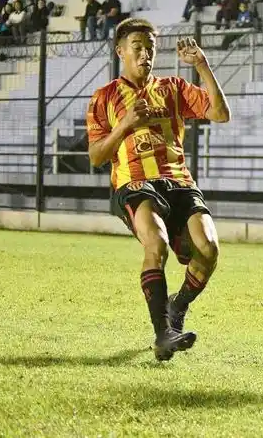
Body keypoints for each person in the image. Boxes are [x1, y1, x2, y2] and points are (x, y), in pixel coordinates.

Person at [86, 18, 232, 361]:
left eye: (150, 47)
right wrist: (124, 125)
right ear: (120, 51)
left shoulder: (174, 88)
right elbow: (96, 156)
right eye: (137, 47)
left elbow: (221, 114)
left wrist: (202, 65)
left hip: (178, 181)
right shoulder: (104, 97)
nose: (145, 54)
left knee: (209, 248)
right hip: (134, 184)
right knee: (157, 242)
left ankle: (177, 305)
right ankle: (163, 333)